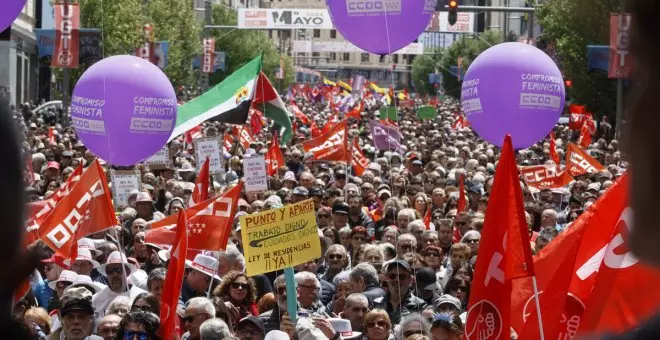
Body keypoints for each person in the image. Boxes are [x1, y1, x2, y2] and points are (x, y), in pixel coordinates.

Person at [93, 251, 140, 318]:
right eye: (110, 271)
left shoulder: (140, 296)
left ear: (128, 272)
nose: (115, 274)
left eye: (119, 270)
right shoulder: (96, 299)